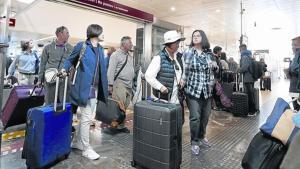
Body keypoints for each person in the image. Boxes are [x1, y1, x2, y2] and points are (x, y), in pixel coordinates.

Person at [61, 24, 108, 160]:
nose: (104, 34)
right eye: (102, 32)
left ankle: (78, 143)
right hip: (84, 87)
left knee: (87, 117)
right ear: (96, 33)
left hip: (95, 88)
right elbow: (70, 59)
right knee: (87, 117)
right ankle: (86, 149)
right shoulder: (82, 46)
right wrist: (64, 69)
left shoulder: (99, 48)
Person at [181, 30, 218, 156]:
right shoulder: (188, 52)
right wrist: (182, 82)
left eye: (198, 36)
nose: (195, 38)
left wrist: (215, 66)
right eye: (194, 36)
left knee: (205, 116)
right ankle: (194, 142)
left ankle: (201, 137)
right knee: (195, 117)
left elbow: (214, 70)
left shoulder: (209, 54)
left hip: (207, 91)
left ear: (203, 38)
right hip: (193, 90)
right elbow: (185, 70)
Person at [145, 30, 185, 121]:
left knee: (178, 122)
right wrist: (160, 87)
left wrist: (181, 79)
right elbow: (148, 75)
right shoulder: (159, 57)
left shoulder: (178, 56)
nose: (178, 44)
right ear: (169, 44)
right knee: (165, 124)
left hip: (177, 98)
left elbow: (180, 71)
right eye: (176, 42)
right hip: (163, 99)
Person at [38, 26, 73, 105]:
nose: (68, 35)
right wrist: (40, 79)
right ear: (60, 34)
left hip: (64, 80)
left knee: (64, 103)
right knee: (49, 103)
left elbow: (73, 65)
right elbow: (42, 64)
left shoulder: (70, 48)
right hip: (50, 80)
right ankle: (50, 117)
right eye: (67, 33)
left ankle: (63, 117)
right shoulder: (48, 48)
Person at [107, 36, 134, 133]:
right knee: (119, 106)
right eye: (130, 43)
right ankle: (114, 125)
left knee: (125, 105)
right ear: (123, 44)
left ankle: (120, 125)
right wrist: (110, 85)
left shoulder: (129, 55)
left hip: (129, 85)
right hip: (119, 83)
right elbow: (111, 71)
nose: (132, 44)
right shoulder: (115, 55)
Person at [238, 44, 256, 115]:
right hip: (251, 77)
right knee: (251, 94)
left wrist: (238, 69)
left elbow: (244, 67)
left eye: (240, 49)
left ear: (242, 49)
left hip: (247, 78)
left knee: (249, 94)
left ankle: (251, 111)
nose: (239, 51)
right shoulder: (249, 56)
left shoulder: (245, 56)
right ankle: (252, 109)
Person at [289, 36, 300, 111]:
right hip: (294, 87)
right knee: (296, 108)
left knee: (297, 109)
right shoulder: (296, 56)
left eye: (295, 45)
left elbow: (295, 69)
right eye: (292, 45)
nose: (293, 47)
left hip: (297, 88)